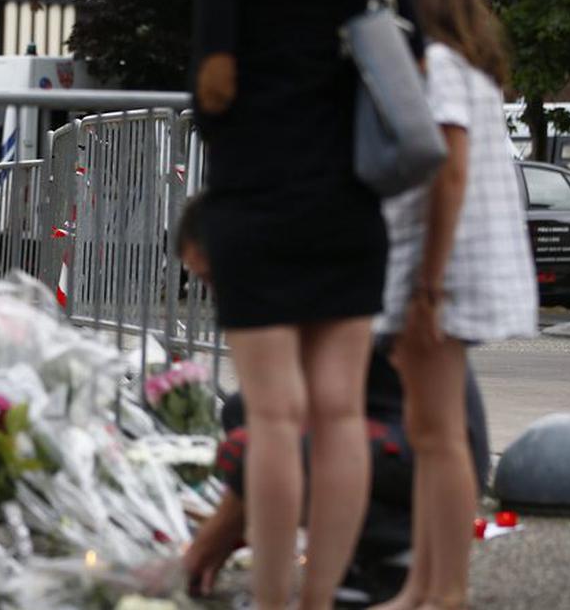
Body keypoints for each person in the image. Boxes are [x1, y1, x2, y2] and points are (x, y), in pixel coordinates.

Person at [188, 0, 423, 606]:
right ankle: (322, 598)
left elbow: (217, 76)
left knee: (277, 417)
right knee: (341, 411)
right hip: (347, 202)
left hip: (255, 195)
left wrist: (215, 113)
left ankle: (277, 600)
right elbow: (407, 54)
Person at [174, 195, 491, 607]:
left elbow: (282, 435)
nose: (217, 295)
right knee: (242, 411)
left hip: (429, 454)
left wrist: (207, 544)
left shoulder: (313, 290)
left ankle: (396, 547)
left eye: (214, 278)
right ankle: (357, 543)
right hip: (390, 437)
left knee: (262, 445)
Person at [369, 0, 536, 610]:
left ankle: (443, 591)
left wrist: (427, 285)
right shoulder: (467, 65)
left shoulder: (434, 66)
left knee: (435, 436)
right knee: (436, 431)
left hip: (440, 268)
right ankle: (427, 585)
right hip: (457, 262)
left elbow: (448, 169)